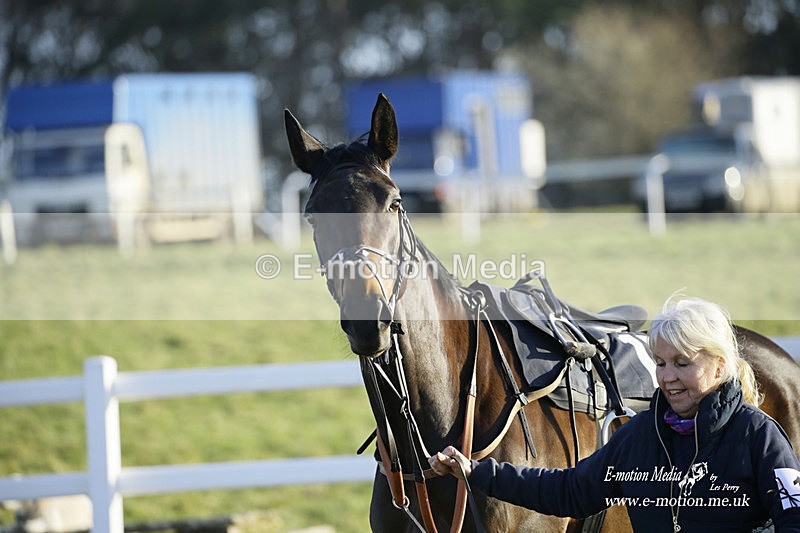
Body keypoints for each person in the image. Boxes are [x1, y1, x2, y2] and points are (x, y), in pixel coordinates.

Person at [429, 295, 800, 532]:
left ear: (719, 367)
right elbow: (568, 491)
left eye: (682, 364)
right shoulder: (640, 437)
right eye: (661, 363)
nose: (667, 377)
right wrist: (477, 471)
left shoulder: (759, 437)